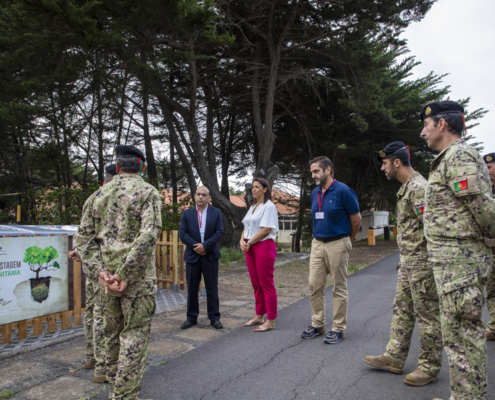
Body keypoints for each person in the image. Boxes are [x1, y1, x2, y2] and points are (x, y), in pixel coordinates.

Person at [420, 101, 495, 400]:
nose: (422, 131)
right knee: (456, 338)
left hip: (461, 267)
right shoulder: (448, 157)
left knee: (464, 337)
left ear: (441, 125)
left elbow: (484, 210)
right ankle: (462, 396)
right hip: (452, 268)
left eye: (426, 124)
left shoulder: (460, 155)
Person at [74, 145, 162, 400]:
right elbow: (148, 236)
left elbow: (83, 241)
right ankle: (123, 395)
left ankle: (115, 387)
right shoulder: (148, 192)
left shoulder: (97, 196)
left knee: (111, 337)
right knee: (133, 338)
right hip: (137, 285)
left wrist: (100, 272)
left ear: (118, 165)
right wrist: (126, 275)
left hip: (105, 284)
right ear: (142, 166)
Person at [364, 142, 442, 387]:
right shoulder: (406, 188)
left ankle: (429, 367)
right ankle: (394, 358)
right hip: (408, 264)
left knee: (427, 317)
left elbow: (434, 228)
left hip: (423, 266)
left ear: (397, 162)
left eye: (385, 163)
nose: (383, 168)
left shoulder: (418, 188)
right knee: (402, 312)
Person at [302, 156, 361, 344]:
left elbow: (356, 218)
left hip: (338, 243)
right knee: (314, 284)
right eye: (311, 172)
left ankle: (338, 328)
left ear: (328, 170)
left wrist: (347, 241)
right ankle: (318, 323)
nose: (313, 175)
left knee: (338, 287)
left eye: (316, 171)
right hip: (317, 243)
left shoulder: (344, 191)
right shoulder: (315, 193)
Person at [70, 163, 117, 384]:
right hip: (107, 270)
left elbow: (82, 237)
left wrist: (81, 254)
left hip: (92, 268)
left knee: (91, 313)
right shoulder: (114, 199)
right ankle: (102, 367)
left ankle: (90, 358)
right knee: (103, 317)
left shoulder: (92, 198)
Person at [179, 186, 224, 330]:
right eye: (198, 194)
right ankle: (191, 318)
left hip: (210, 255)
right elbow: (183, 233)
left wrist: (205, 246)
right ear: (194, 196)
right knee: (192, 288)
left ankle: (214, 318)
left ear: (209, 197)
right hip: (193, 255)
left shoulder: (216, 213)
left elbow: (219, 232)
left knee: (212, 288)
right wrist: (196, 246)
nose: (200, 197)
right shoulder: (187, 213)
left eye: (204, 195)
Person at [240, 177, 279, 332]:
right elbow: (246, 226)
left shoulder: (268, 207)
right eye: (252, 187)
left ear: (265, 189)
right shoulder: (253, 207)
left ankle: (270, 320)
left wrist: (250, 242)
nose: (254, 189)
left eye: (257, 187)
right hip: (250, 246)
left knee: (266, 283)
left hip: (263, 245)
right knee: (256, 283)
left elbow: (266, 229)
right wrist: (242, 241)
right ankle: (259, 315)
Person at [483, 152, 495, 341]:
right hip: (491, 250)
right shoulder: (487, 191)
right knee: (492, 289)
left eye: (491, 167)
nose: (487, 171)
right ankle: (493, 327)